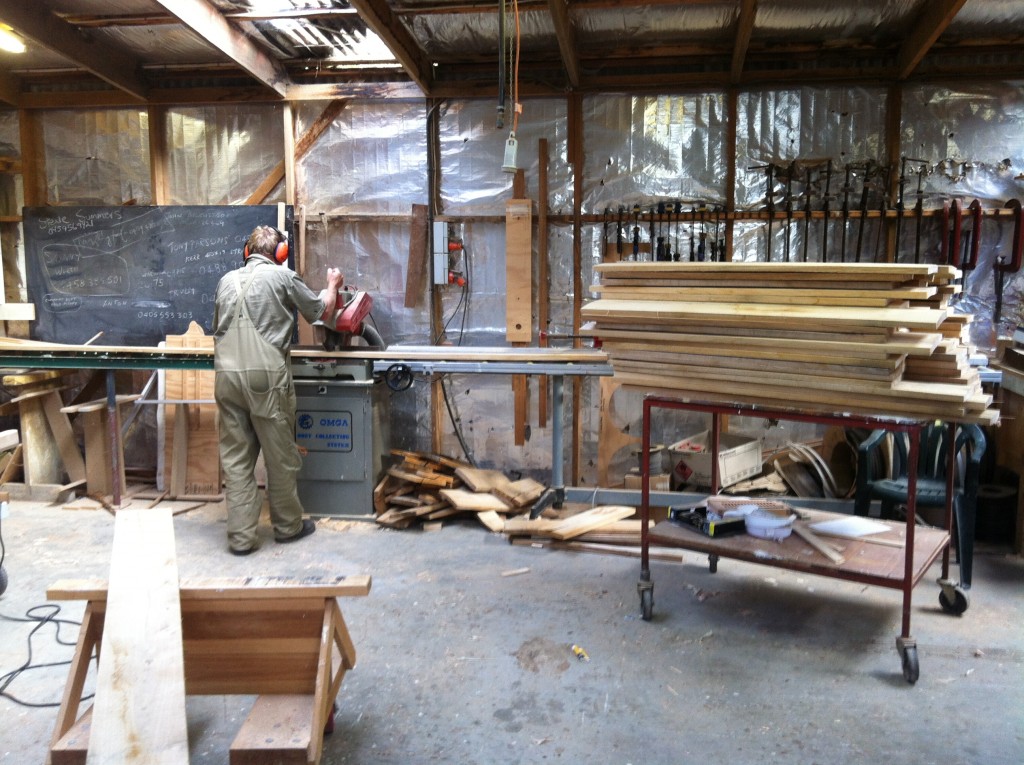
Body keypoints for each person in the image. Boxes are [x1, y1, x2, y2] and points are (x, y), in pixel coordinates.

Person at [213, 225, 343, 555]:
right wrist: (332, 285)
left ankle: (241, 538)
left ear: (247, 252)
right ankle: (287, 527)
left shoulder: (226, 281)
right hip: (265, 378)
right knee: (280, 456)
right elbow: (319, 311)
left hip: (226, 377)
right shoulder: (283, 278)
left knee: (236, 459)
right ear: (280, 254)